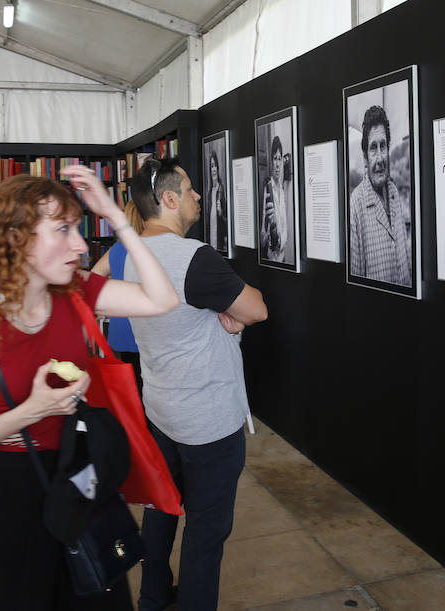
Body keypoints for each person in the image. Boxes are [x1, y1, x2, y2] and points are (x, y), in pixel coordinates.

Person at [0, 168, 179, 610]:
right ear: (15, 238)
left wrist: (115, 216)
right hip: (5, 498)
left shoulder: (75, 291)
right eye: (62, 230)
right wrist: (31, 410)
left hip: (76, 482)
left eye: (78, 228)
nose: (80, 245)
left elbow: (162, 299)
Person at [126, 157, 268, 611]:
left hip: (161, 410)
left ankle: (152, 599)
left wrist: (223, 314)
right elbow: (257, 309)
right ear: (169, 199)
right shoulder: (194, 258)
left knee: (161, 510)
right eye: (189, 189)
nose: (198, 196)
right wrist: (230, 315)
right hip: (207, 421)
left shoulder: (134, 255)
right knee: (206, 532)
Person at [348, 105, 412, 286]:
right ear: (365, 157)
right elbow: (355, 282)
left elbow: (406, 261)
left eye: (383, 146)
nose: (379, 159)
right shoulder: (356, 205)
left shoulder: (394, 193)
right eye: (373, 148)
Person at [91, 200, 144, 385]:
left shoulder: (117, 249)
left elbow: (93, 277)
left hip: (120, 330)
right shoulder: (149, 250)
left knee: (133, 388)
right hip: (146, 331)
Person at [259, 136, 292, 263]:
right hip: (270, 258)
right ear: (271, 162)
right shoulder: (267, 188)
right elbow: (262, 239)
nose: (277, 164)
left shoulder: (282, 191)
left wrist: (281, 242)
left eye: (279, 159)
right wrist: (267, 223)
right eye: (275, 158)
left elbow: (285, 226)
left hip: (282, 257)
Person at [207, 150, 227, 251]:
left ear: (218, 168)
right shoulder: (209, 193)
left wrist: (221, 213)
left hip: (220, 244)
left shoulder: (221, 190)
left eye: (215, 166)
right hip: (210, 244)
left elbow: (227, 220)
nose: (214, 169)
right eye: (211, 166)